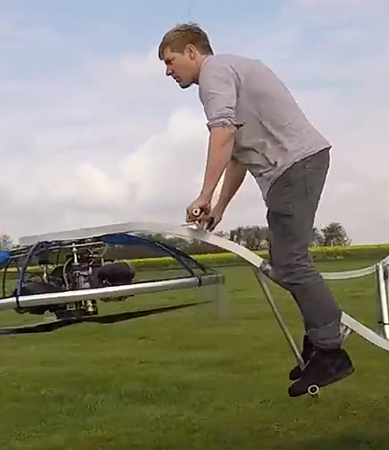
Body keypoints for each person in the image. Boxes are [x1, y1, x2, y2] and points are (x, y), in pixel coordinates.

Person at [156, 22, 354, 397]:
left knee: (291, 262)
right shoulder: (230, 72)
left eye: (170, 60)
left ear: (193, 52)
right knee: (285, 261)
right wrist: (218, 206)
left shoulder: (214, 73)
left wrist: (203, 195)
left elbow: (224, 135)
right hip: (293, 167)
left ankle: (330, 351)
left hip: (294, 165)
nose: (168, 71)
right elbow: (237, 154)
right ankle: (319, 343)